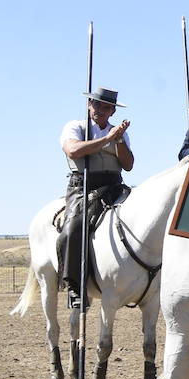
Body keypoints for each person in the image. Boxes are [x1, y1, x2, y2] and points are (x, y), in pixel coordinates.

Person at [58, 87, 133, 308]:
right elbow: (73, 151)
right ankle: (74, 285)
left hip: (114, 185)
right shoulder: (75, 127)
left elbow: (128, 165)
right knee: (73, 227)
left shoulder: (120, 133)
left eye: (107, 106)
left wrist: (117, 141)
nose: (101, 109)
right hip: (83, 185)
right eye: (97, 104)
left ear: (112, 111)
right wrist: (107, 138)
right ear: (89, 105)